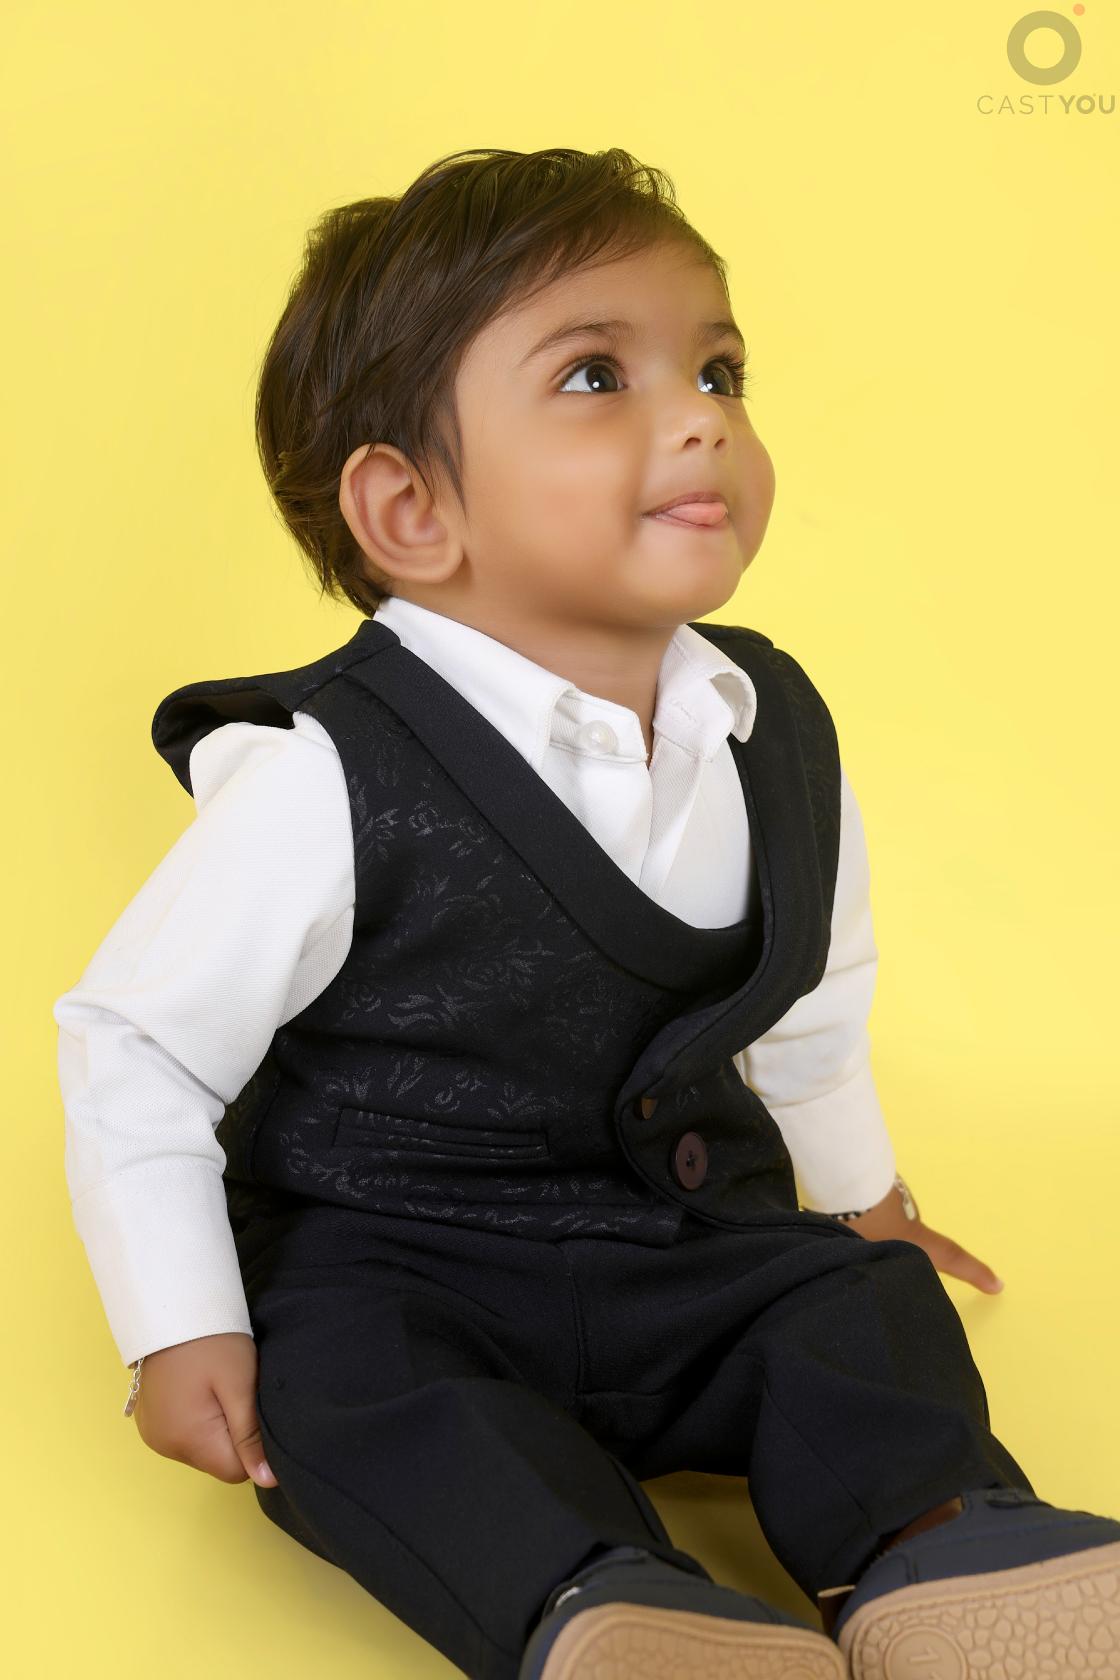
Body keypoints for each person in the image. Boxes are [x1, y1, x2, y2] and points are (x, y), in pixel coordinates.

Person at [53, 146, 1120, 1680]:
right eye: (596, 377)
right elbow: (139, 1046)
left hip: (685, 1242)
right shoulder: (325, 775)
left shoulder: (772, 730)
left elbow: (814, 995)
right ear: (410, 509)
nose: (702, 416)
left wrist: (861, 1196)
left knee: (858, 1307)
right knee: (346, 1385)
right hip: (401, 1252)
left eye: (719, 369)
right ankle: (602, 1598)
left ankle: (943, 1547)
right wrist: (178, 1322)